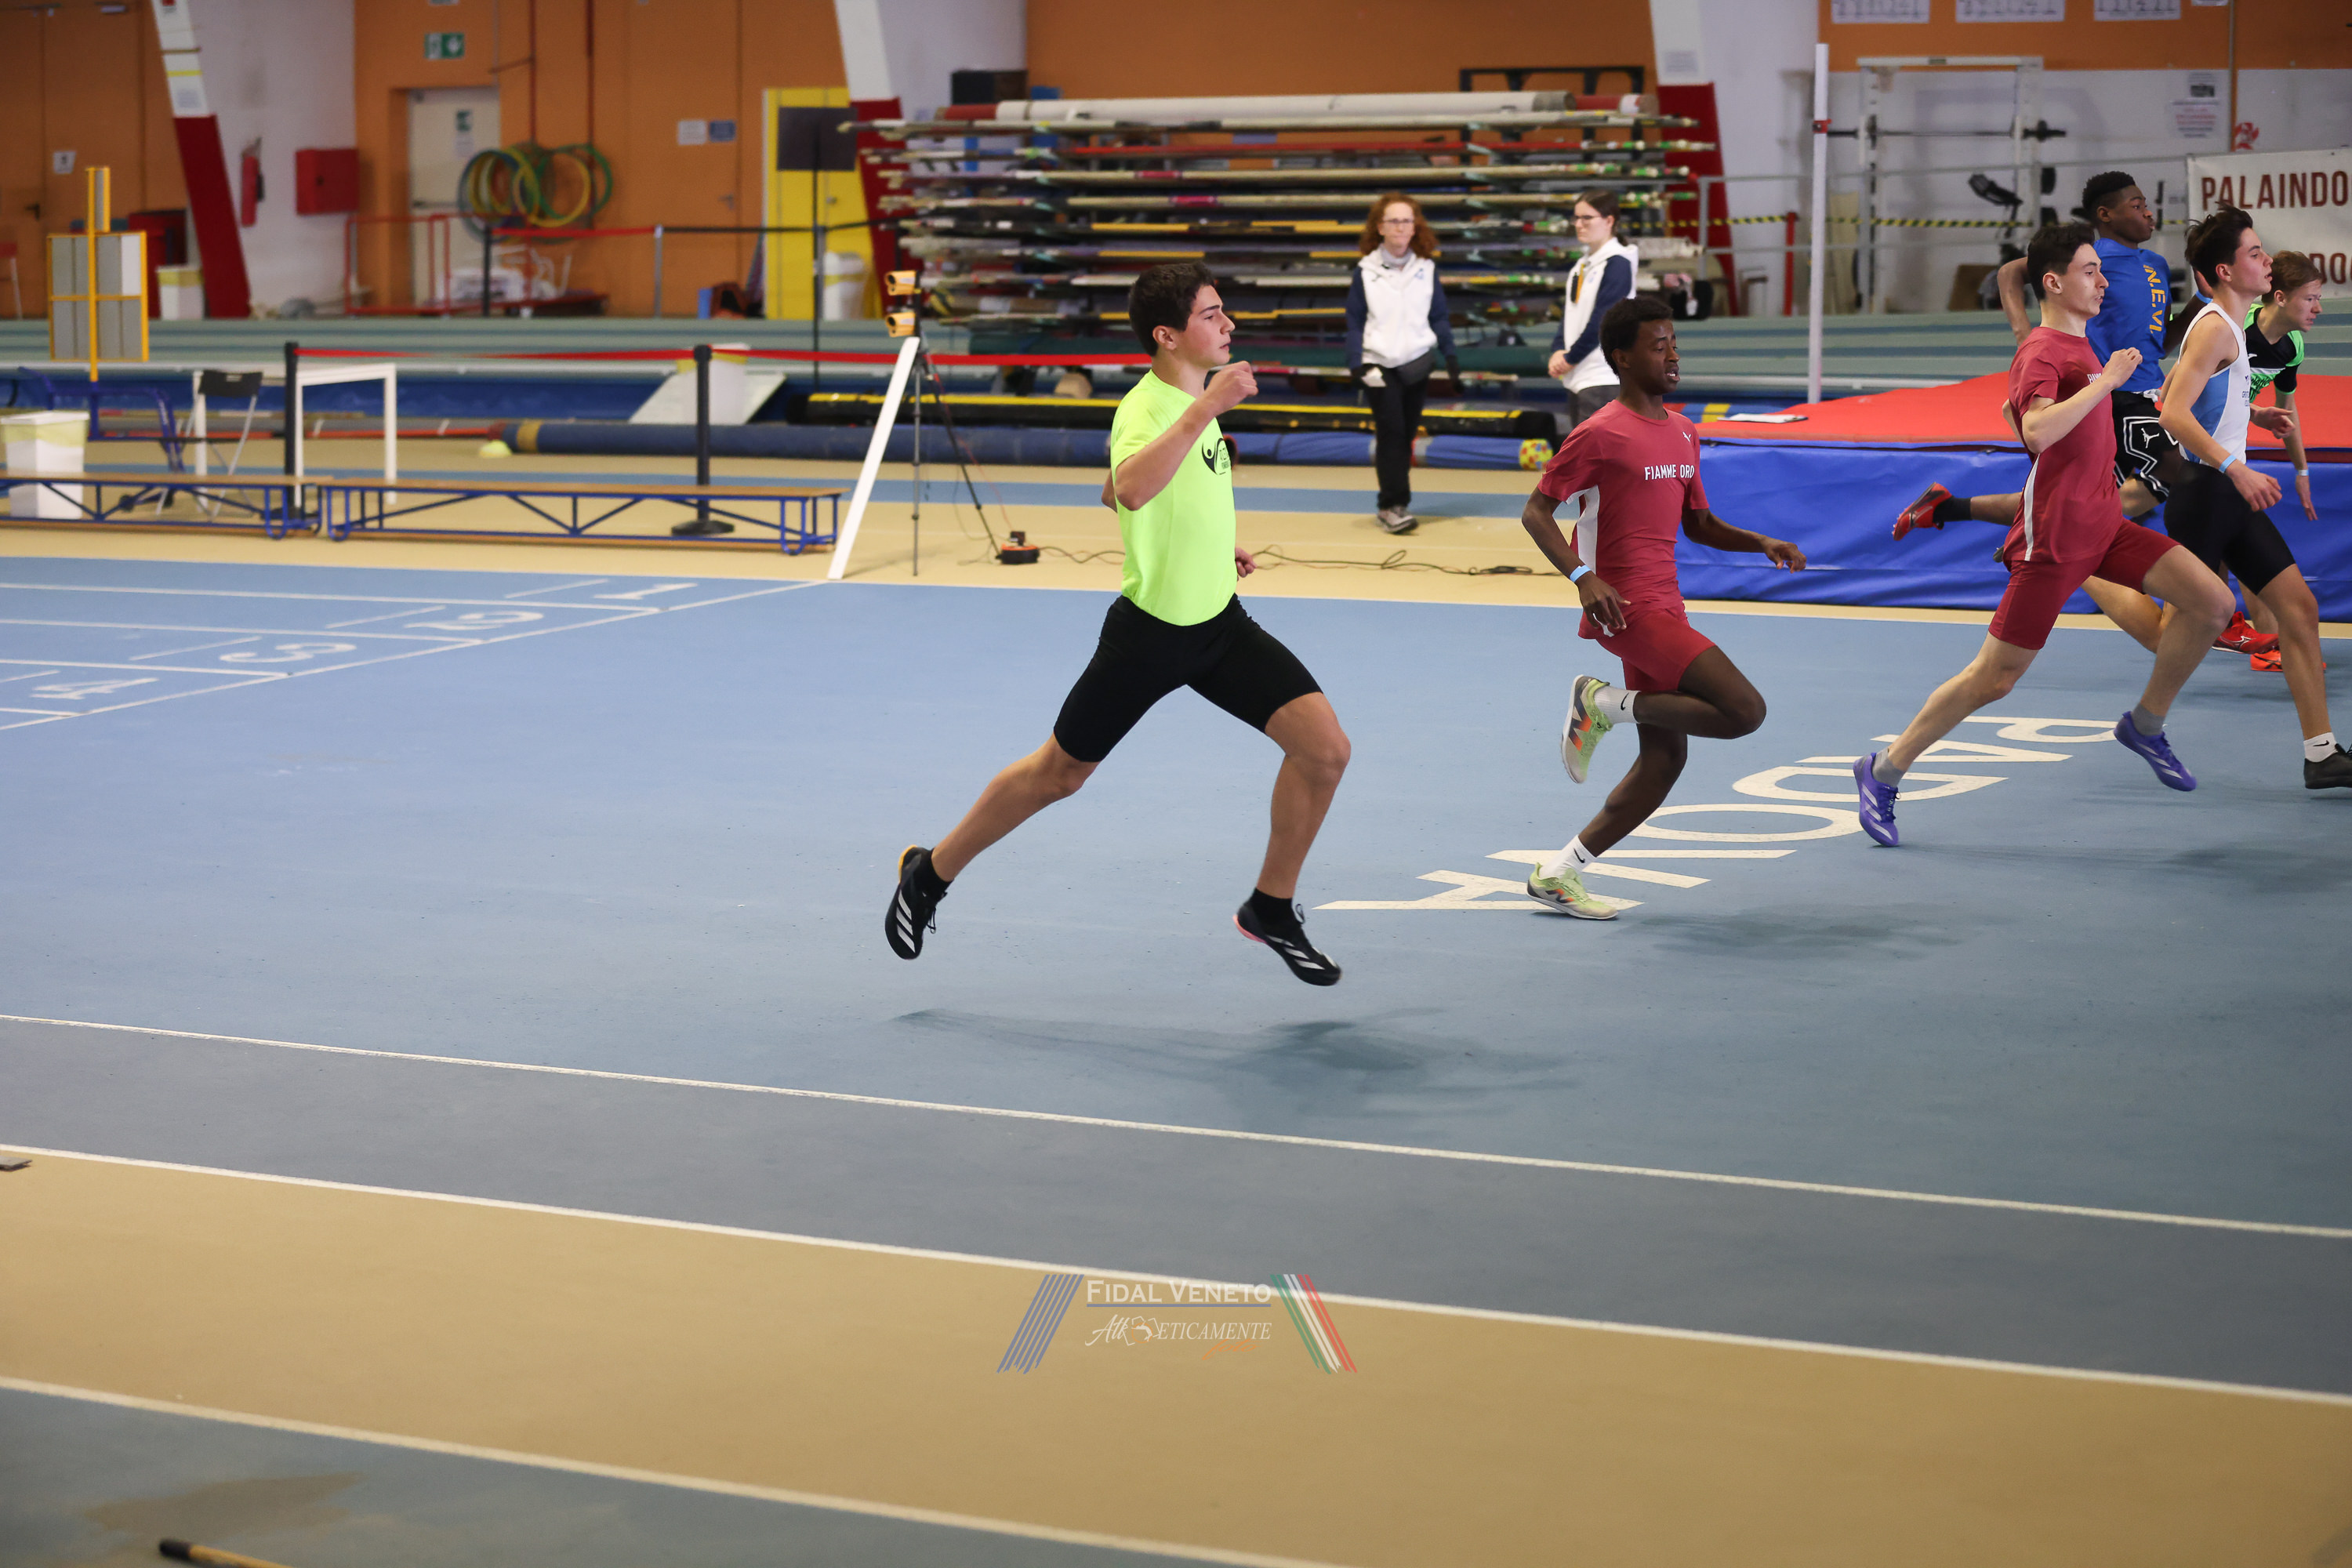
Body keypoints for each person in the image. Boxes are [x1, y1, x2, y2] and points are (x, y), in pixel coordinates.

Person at [885, 262, 1355, 982]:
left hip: (1220, 626)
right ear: (1167, 336)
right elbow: (1133, 489)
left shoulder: (1190, 399)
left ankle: (1271, 906)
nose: (1227, 324)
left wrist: (1208, 543)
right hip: (1150, 638)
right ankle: (931, 872)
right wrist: (1209, 409)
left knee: (1324, 753)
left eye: (1223, 311)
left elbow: (1113, 487)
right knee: (1058, 775)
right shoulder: (1155, 406)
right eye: (1210, 315)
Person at [1853, 223, 2237, 847]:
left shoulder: (2081, 346)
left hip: (2105, 525)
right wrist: (2107, 384)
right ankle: (1883, 770)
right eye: (2090, 271)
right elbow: (2035, 430)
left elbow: (2028, 418)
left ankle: (2145, 723)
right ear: (2054, 283)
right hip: (2053, 541)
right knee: (1994, 679)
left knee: (2213, 603)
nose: (2103, 281)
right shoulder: (2044, 351)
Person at [1889, 172, 2274, 659]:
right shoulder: (2092, 257)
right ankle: (2206, 604)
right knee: (2184, 476)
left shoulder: (2155, 265)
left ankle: (1974, 516)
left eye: (2148, 203)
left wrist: (2200, 301)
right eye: (2135, 205)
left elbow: (2160, 341)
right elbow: (2013, 274)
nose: (2148, 212)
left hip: (2142, 386)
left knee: (2106, 500)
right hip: (2113, 392)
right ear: (2105, 215)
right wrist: (2025, 336)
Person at [1516, 295, 1809, 919]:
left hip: (1665, 605)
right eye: (1657, 346)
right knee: (1744, 710)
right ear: (1622, 358)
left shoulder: (1683, 429)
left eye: (1675, 343)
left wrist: (1759, 541)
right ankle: (1601, 704)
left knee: (1664, 759)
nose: (1672, 355)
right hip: (1624, 610)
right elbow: (1536, 512)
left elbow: (1699, 524)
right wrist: (1583, 577)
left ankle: (1559, 874)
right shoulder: (1599, 433)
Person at [2156, 213, 2352, 789]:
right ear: (2226, 270)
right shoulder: (2217, 328)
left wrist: (2254, 413)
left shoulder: (2236, 329)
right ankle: (2089, 569)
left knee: (2299, 610)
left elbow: (2183, 391)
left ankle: (2321, 755)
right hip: (2205, 493)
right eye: (2256, 253)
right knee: (2173, 628)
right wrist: (2236, 467)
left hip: (2226, 494)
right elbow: (2171, 412)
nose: (2268, 262)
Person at [1345, 193, 1459, 535]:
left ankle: (1398, 504)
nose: (1400, 227)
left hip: (1417, 363)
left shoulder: (1426, 268)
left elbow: (1439, 316)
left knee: (1406, 433)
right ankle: (1391, 506)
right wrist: (1355, 363)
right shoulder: (1365, 271)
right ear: (1380, 227)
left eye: (1406, 221)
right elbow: (1354, 321)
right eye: (1393, 221)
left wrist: (1451, 356)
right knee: (1391, 431)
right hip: (1378, 365)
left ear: (1415, 227)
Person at [1544, 190, 1638, 433]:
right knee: (1582, 451)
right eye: (1576, 218)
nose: (1579, 224)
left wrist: (1570, 358)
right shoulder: (1582, 265)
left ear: (1609, 221)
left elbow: (1604, 319)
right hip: (1579, 376)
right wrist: (1558, 350)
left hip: (1603, 376)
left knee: (1598, 451)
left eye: (1587, 218)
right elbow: (1570, 313)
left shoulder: (1618, 263)